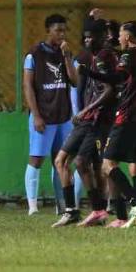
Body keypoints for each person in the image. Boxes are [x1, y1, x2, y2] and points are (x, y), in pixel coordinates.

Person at [85, 21, 136, 228]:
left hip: (128, 117)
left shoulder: (128, 55)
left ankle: (135, 203)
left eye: (121, 35)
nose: (118, 39)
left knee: (108, 164)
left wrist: (89, 73)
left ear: (128, 37)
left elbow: (118, 77)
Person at [51, 19, 111, 227]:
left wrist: (86, 110)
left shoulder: (104, 57)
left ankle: (100, 210)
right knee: (63, 161)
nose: (87, 40)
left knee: (88, 165)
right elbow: (77, 82)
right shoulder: (89, 57)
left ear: (103, 36)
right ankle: (72, 211)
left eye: (91, 36)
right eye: (85, 36)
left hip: (95, 120)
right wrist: (67, 57)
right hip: (84, 120)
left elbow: (108, 90)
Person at [23, 14, 79, 216]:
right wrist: (36, 115)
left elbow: (75, 81)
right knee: (36, 159)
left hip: (63, 116)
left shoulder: (66, 54)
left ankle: (62, 204)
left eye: (64, 30)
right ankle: (32, 206)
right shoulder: (34, 54)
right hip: (44, 116)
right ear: (48, 30)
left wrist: (67, 57)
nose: (62, 34)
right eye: (58, 30)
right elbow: (28, 86)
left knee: (61, 160)